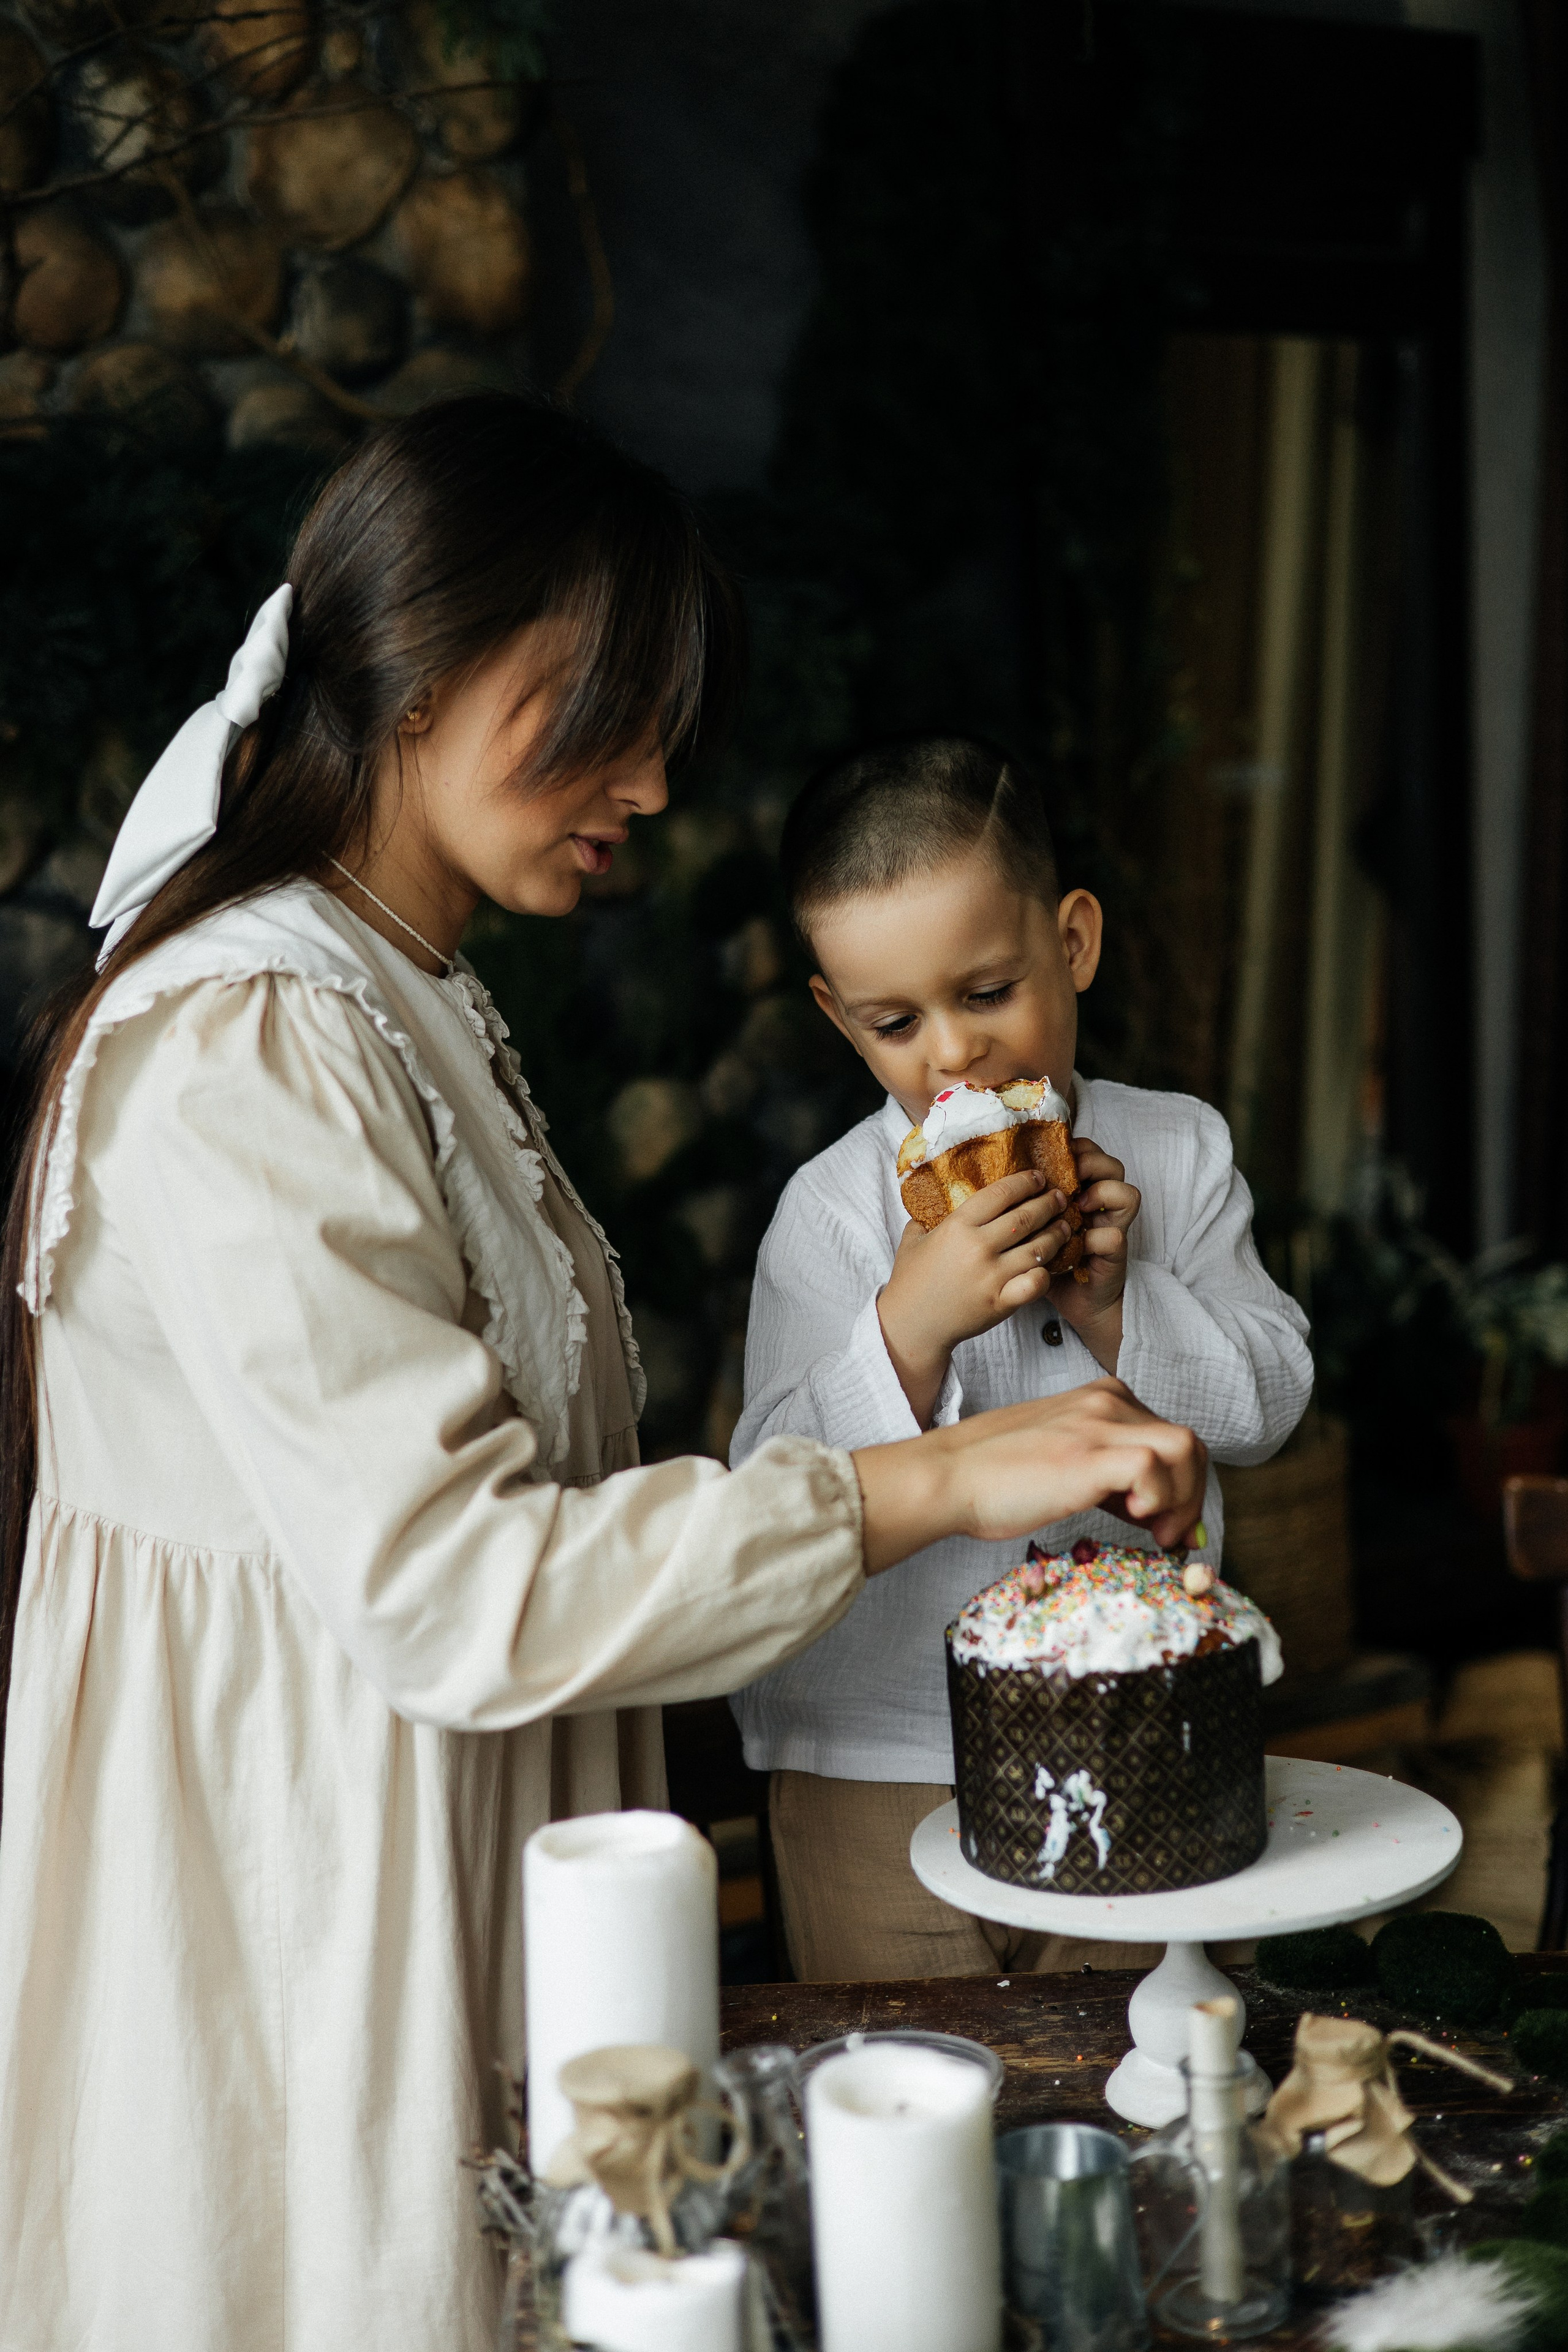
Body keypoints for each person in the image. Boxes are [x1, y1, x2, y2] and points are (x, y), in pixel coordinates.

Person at [0, 404, 1207, 2352]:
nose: (649, 781)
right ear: (419, 668)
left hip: (462, 1863)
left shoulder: (403, 995)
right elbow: (454, 1584)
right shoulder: (249, 1037)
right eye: (608, 713)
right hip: (315, 1906)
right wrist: (933, 1476)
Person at [730, 736, 1313, 1983]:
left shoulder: (1180, 1153)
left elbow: (1269, 1406)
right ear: (838, 1018)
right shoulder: (828, 1213)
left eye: (988, 993)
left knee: (1127, 2063)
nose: (953, 1055)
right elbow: (768, 1490)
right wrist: (909, 1325)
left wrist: (1119, 1307)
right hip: (872, 1758)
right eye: (896, 1023)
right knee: (903, 2072)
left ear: (1074, 943)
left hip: (1134, 1738)